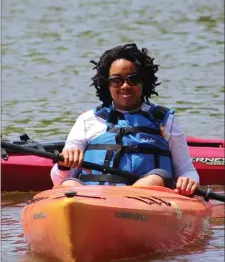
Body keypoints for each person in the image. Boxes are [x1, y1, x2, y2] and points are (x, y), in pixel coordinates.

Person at [51, 43, 199, 196]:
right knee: (69, 184)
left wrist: (188, 180)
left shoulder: (164, 121)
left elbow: (187, 171)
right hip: (93, 197)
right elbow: (58, 179)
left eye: (133, 79)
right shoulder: (87, 120)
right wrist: (63, 166)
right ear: (107, 84)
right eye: (117, 80)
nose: (125, 86)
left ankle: (126, 199)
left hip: (148, 197)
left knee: (156, 178)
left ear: (144, 82)